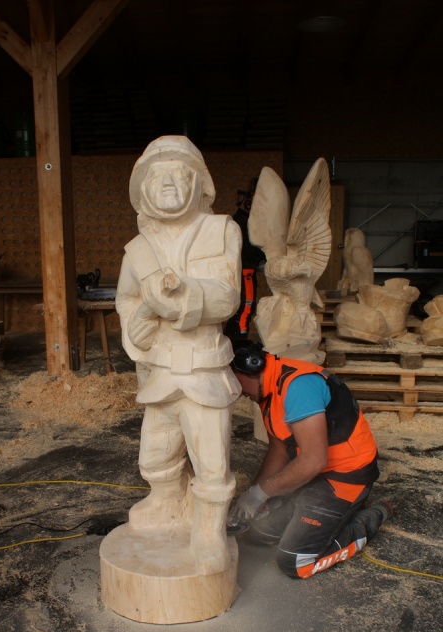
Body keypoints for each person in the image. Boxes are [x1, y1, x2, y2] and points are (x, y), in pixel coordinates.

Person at [116, 135, 242, 575]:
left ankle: (208, 530)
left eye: (178, 173)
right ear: (143, 190)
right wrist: (141, 319)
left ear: (199, 183)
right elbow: (127, 300)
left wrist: (183, 297)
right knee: (155, 454)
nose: (168, 182)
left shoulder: (220, 230)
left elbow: (227, 296)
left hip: (204, 369)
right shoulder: (138, 249)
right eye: (158, 176)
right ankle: (167, 501)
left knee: (212, 461)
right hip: (160, 370)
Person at [229, 344, 392, 579]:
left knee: (295, 562)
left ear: (251, 367)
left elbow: (313, 460)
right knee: (258, 533)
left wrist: (262, 492)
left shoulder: (299, 388)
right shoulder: (268, 391)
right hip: (313, 475)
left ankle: (368, 517)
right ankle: (334, 515)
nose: (237, 392)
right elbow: (279, 449)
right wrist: (254, 495)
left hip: (344, 477)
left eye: (235, 383)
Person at [223, 178, 264, 345]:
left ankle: (234, 339)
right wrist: (260, 258)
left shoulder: (243, 218)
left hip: (244, 266)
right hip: (245, 268)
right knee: (246, 305)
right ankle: (238, 340)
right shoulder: (243, 220)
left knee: (243, 306)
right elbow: (248, 245)